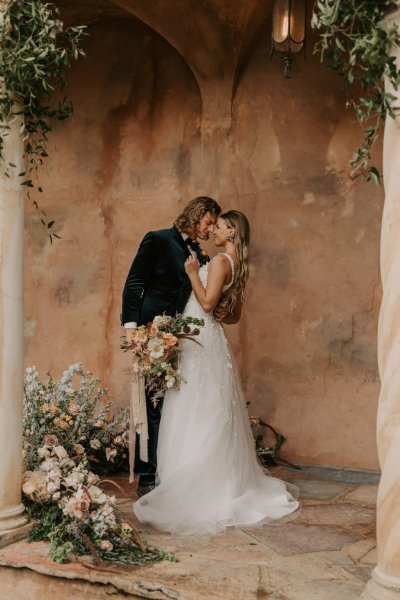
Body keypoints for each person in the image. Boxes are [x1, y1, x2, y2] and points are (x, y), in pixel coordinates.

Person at [133, 210, 299, 534]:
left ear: (232, 233)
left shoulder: (223, 260)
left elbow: (208, 304)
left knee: (194, 406)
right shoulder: (233, 262)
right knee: (205, 406)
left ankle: (195, 483)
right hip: (206, 337)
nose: (213, 230)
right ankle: (206, 475)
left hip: (202, 335)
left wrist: (194, 272)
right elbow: (224, 310)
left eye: (220, 226)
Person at [121, 196, 221, 498]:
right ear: (196, 215)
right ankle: (147, 477)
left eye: (215, 224)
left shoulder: (200, 256)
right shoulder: (158, 239)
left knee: (169, 403)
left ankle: (166, 470)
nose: (211, 228)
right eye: (209, 222)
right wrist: (131, 328)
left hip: (181, 336)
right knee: (151, 402)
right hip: (150, 331)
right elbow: (135, 283)